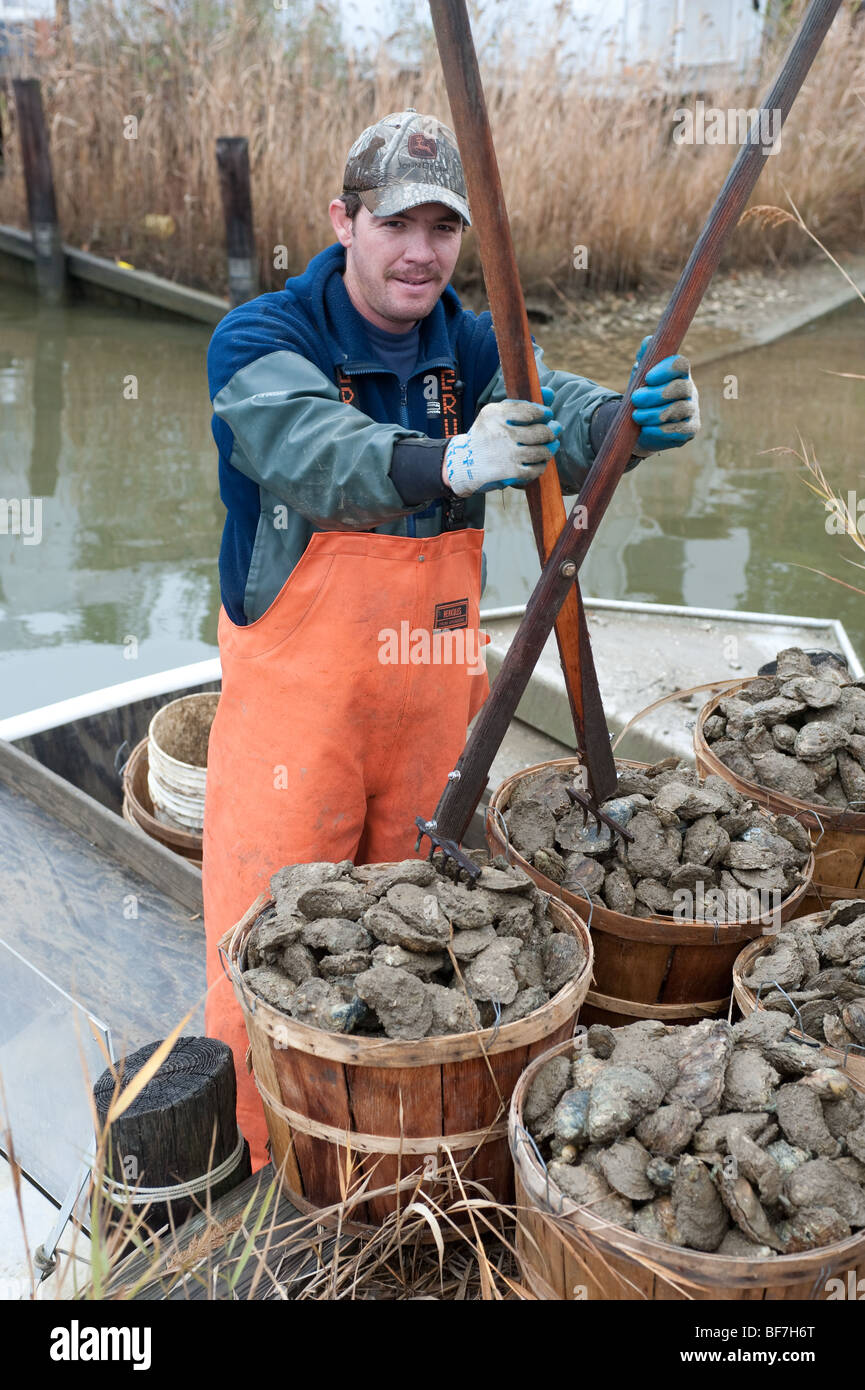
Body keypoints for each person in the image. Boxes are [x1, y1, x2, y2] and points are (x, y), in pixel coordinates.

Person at [204, 109, 701, 1168]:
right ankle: (262, 1157)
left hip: (433, 700)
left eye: (443, 226)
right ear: (342, 221)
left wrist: (630, 420)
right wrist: (447, 465)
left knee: (420, 943)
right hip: (298, 711)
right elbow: (304, 445)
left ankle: (396, 1164)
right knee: (265, 939)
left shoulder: (470, 345)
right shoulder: (258, 339)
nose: (421, 250)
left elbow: (558, 411)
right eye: (396, 223)